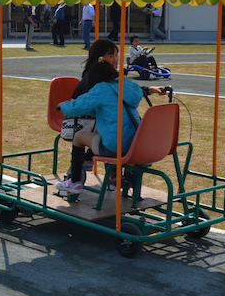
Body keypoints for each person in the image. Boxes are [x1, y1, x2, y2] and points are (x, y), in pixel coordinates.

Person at [55, 39, 167, 195]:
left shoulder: (101, 85)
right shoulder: (115, 82)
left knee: (85, 136)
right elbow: (85, 106)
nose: (115, 60)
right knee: (110, 128)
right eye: (111, 56)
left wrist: (62, 106)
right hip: (133, 142)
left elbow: (80, 106)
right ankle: (96, 163)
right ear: (100, 58)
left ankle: (76, 180)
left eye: (116, 55)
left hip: (111, 140)